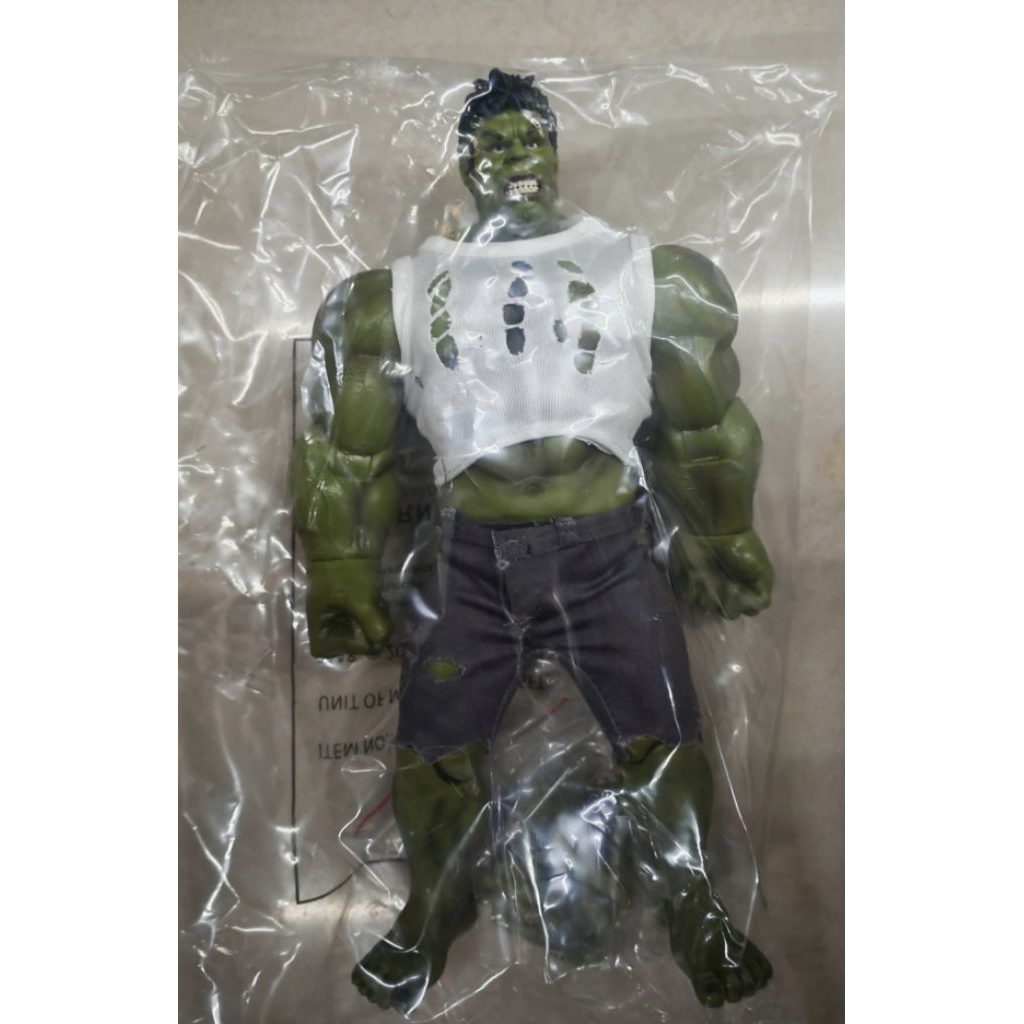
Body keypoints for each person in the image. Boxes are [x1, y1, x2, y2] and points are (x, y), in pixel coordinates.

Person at [291, 68, 774, 1013]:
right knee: (434, 747)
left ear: (555, 148)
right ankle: (435, 904)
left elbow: (708, 428)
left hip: (610, 549)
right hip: (470, 559)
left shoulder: (650, 273)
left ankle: (692, 903)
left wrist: (724, 532)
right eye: (493, 139)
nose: (515, 152)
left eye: (529, 134)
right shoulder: (392, 295)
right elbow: (347, 458)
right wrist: (341, 569)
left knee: (663, 733)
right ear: (464, 161)